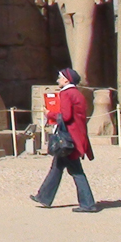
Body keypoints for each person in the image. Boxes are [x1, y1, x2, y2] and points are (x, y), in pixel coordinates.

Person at [30, 68, 97, 213]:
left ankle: (88, 203)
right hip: (75, 137)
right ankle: (44, 196)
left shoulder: (66, 93)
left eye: (60, 78)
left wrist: (50, 114)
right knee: (57, 167)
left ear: (66, 80)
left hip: (68, 139)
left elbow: (65, 117)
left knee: (76, 172)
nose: (58, 80)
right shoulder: (78, 94)